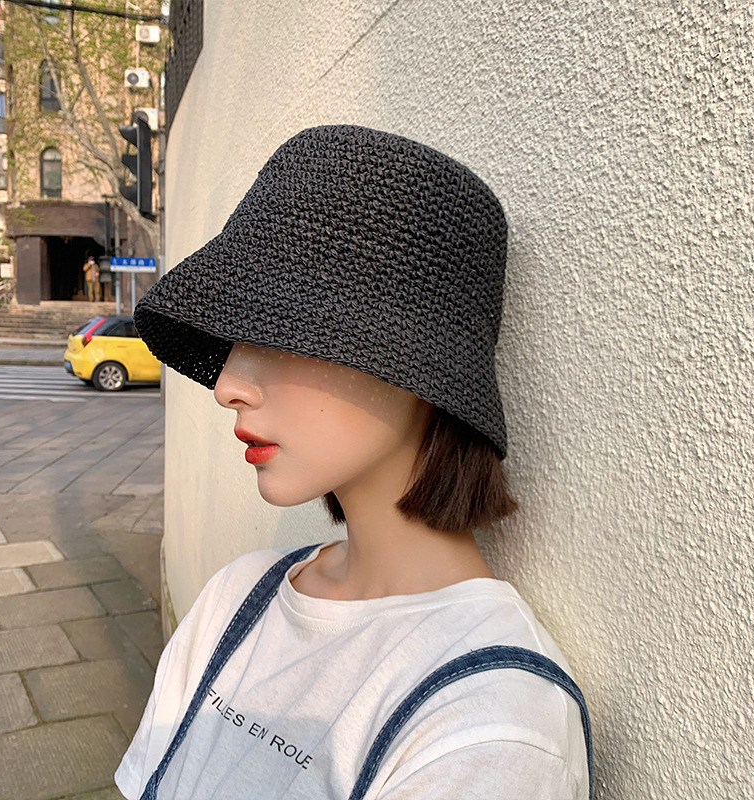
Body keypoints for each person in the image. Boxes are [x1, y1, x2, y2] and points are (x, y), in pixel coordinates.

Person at [116, 125, 593, 799]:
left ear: (419, 365)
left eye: (280, 331)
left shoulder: (492, 727)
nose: (227, 386)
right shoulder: (237, 597)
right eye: (237, 337)